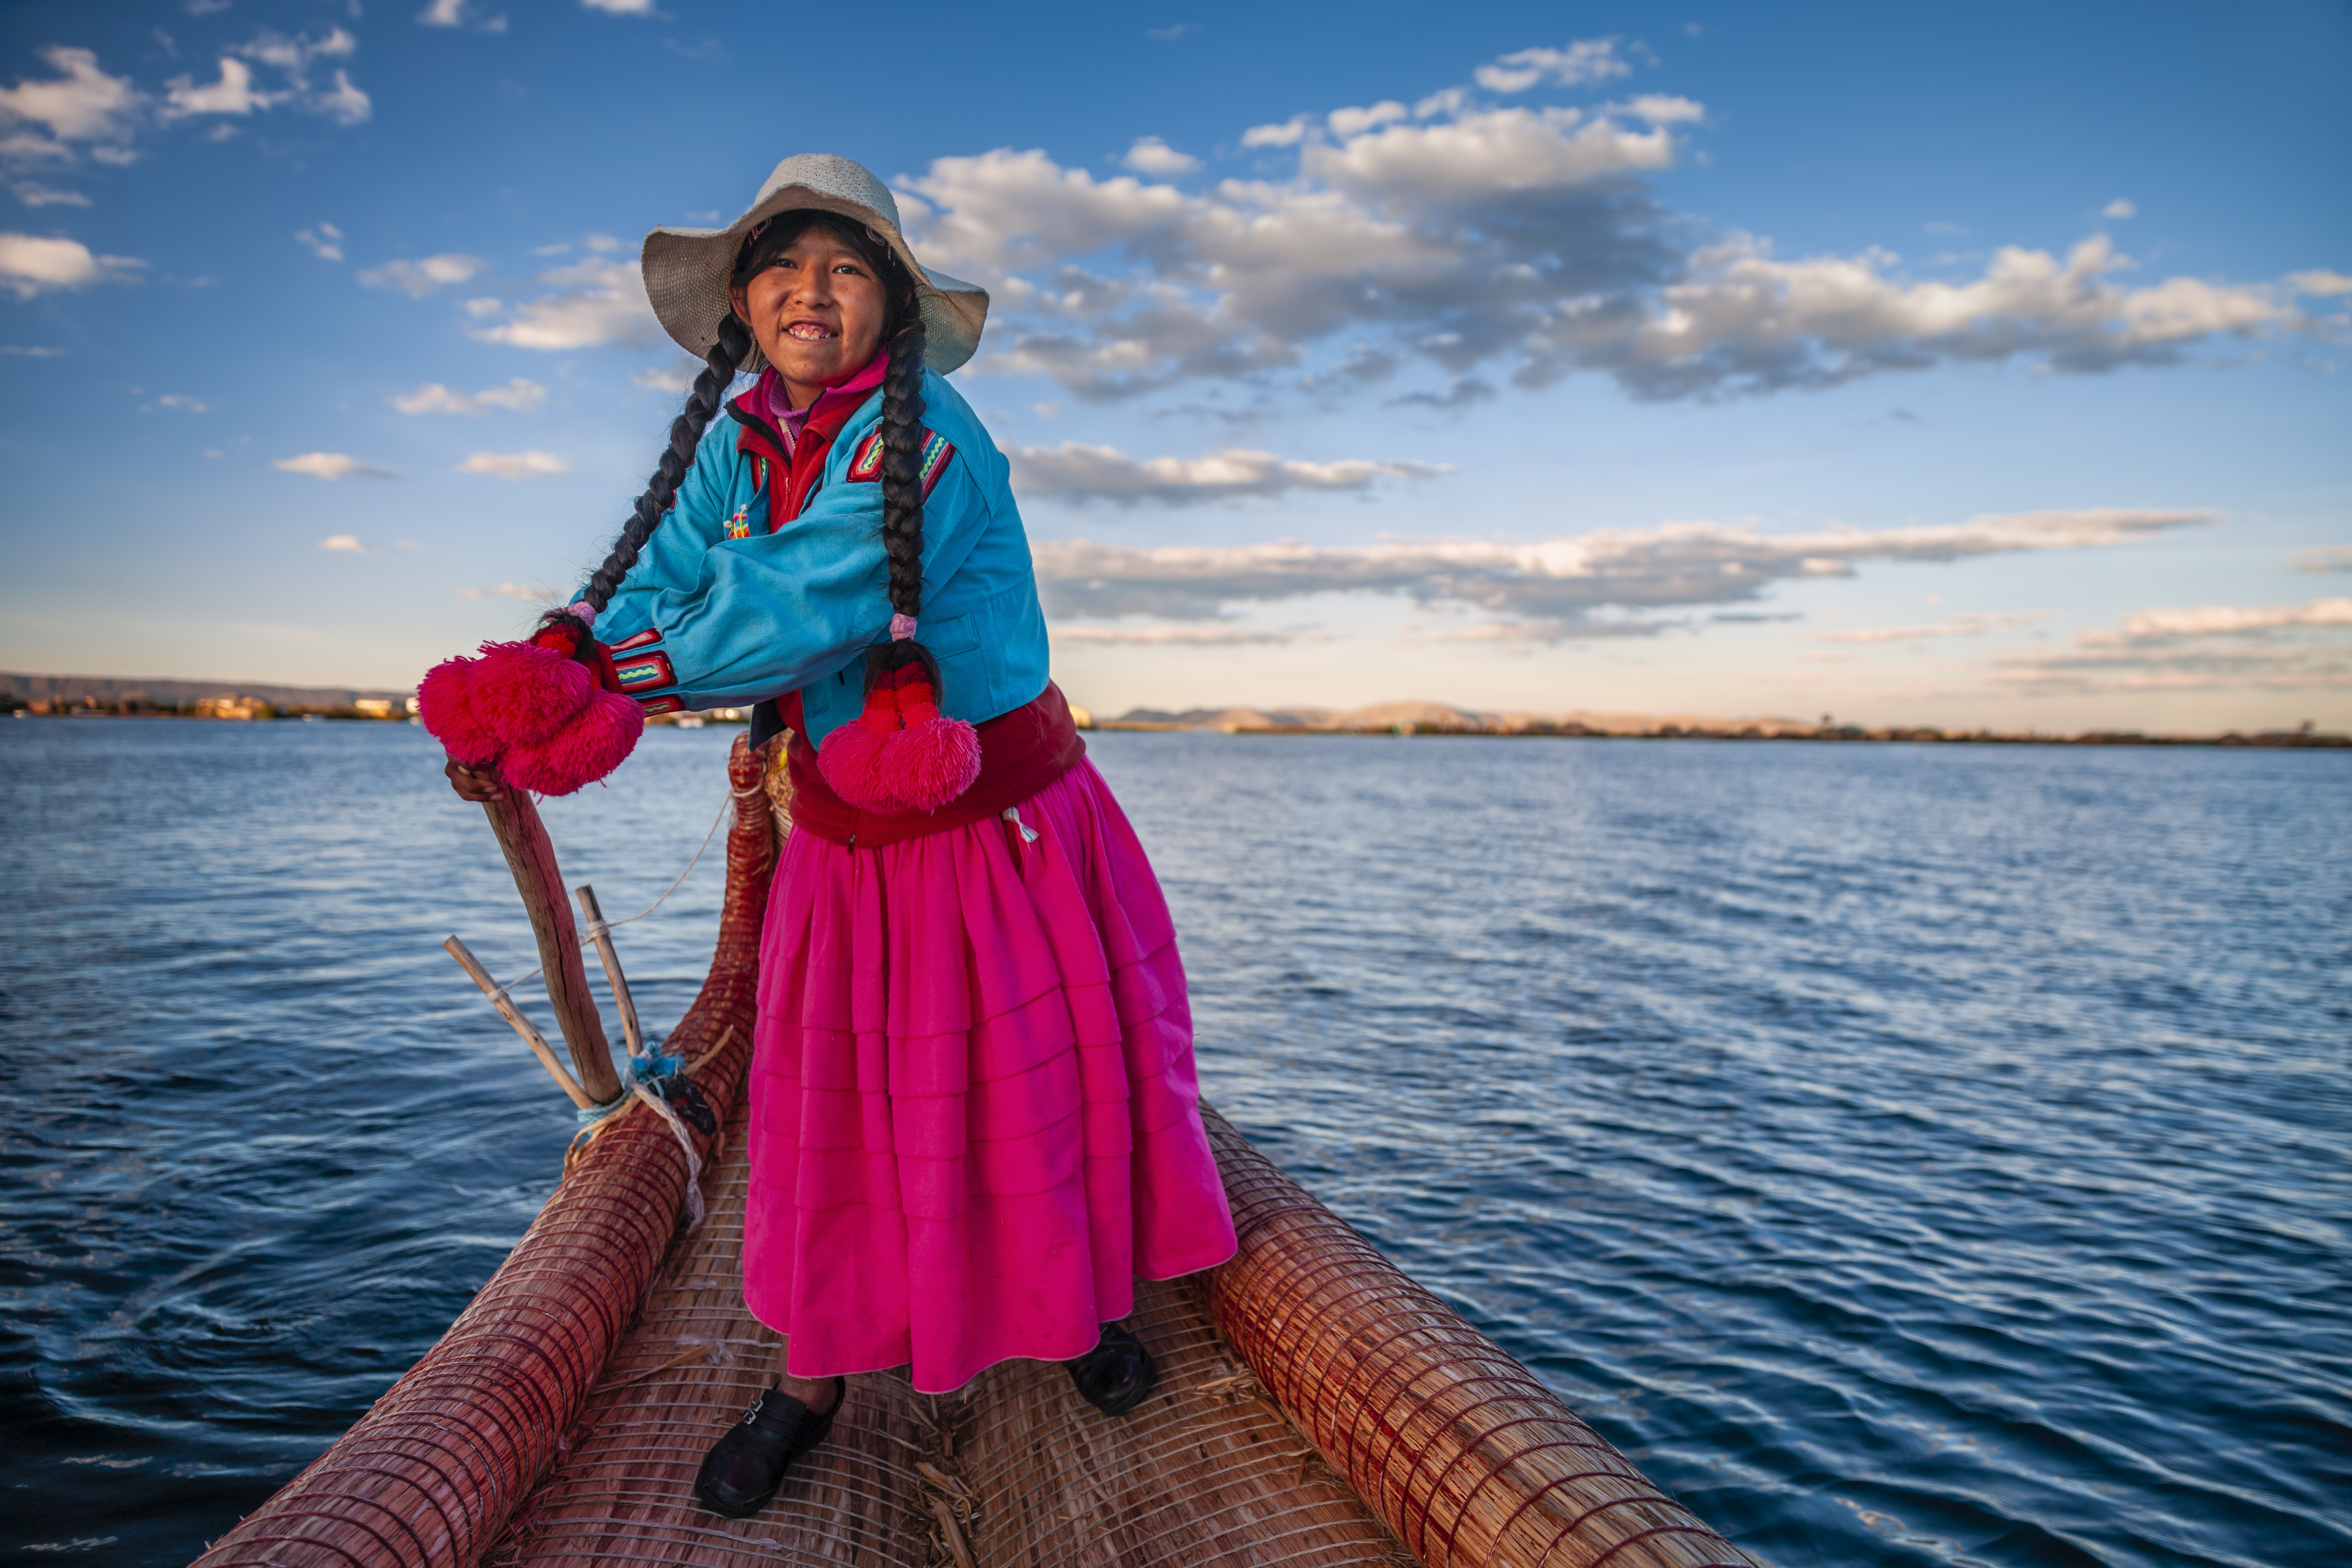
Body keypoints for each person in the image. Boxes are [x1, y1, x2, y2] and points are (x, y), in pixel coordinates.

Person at [439, 154, 1238, 1522]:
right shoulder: (743, 436)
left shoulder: (930, 439)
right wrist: (544, 666)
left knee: (1029, 1085)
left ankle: (1078, 1313)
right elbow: (667, 571)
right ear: (742, 302)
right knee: (829, 1111)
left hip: (993, 828)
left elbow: (796, 606)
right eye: (783, 267)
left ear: (893, 308)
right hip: (846, 832)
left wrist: (599, 682)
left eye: (849, 267)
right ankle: (810, 1380)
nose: (812, 291)